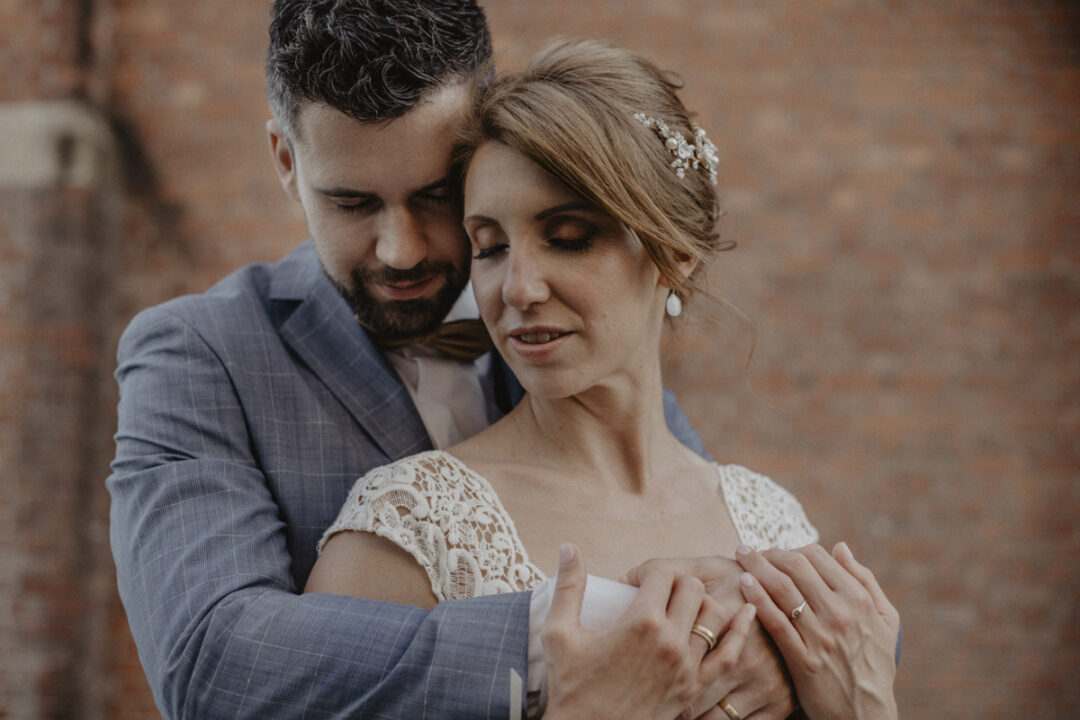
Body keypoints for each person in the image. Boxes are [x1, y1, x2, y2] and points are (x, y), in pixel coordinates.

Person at [108, 2, 801, 718]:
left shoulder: (575, 348)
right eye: (352, 203)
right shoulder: (200, 355)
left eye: (435, 196)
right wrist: (571, 629)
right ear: (287, 160)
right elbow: (209, 662)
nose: (400, 250)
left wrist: (792, 660)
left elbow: (701, 537)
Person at [306, 38, 900, 719]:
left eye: (567, 237)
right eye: (490, 247)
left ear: (671, 250)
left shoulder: (773, 521)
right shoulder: (408, 528)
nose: (517, 288)